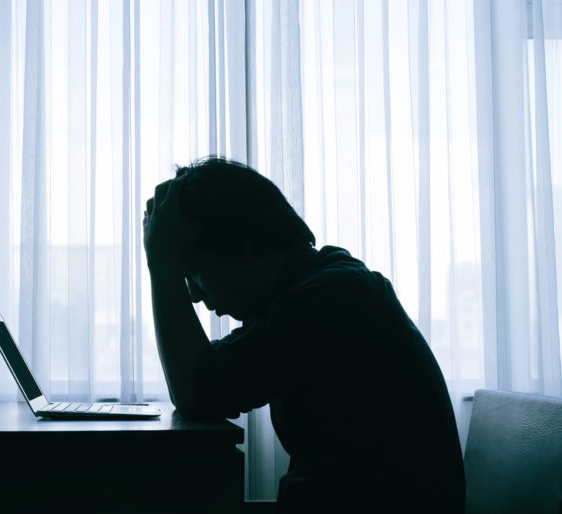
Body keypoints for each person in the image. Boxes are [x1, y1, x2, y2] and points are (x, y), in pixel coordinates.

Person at [142, 157, 465, 513]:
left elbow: (195, 391)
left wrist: (162, 262)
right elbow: (203, 376)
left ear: (243, 245)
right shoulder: (318, 289)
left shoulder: (327, 302)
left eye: (195, 272)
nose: (194, 294)